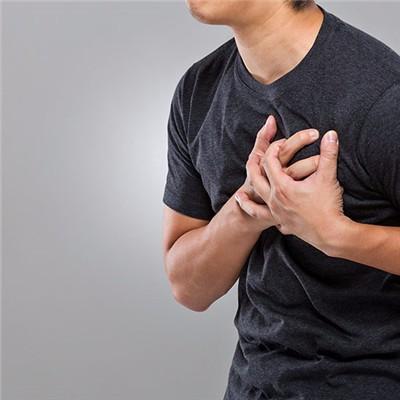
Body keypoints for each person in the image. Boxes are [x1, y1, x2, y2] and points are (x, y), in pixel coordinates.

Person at [161, 0, 400, 398]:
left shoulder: (383, 97)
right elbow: (189, 288)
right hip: (252, 386)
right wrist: (247, 210)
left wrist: (335, 235)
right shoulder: (198, 92)